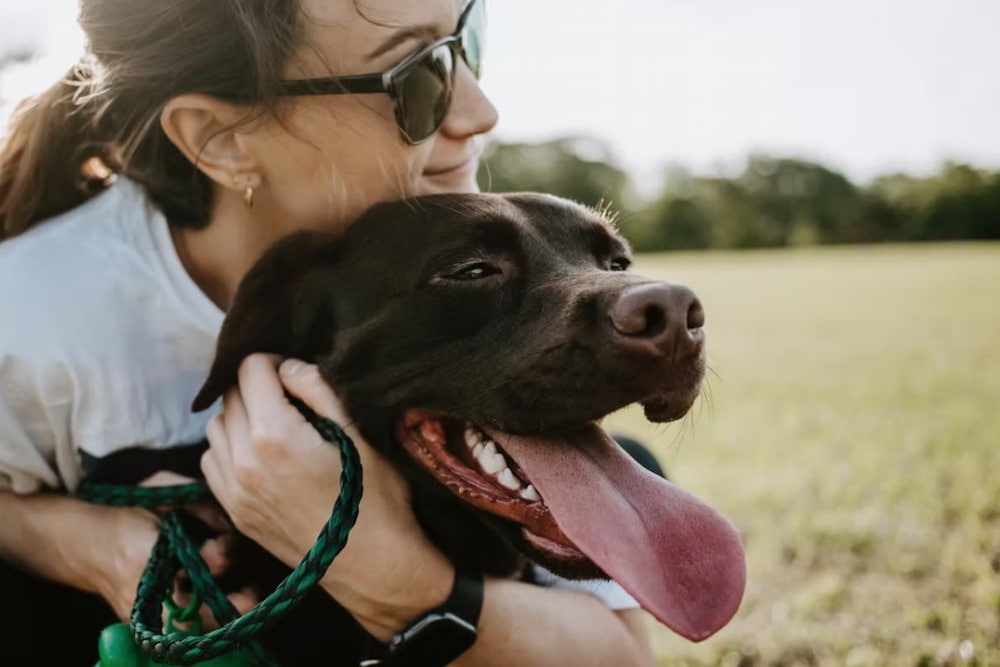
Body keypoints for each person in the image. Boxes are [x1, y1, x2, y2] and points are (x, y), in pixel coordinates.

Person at [0, 0, 661, 664]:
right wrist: (97, 546)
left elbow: (620, 656)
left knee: (624, 454)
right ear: (219, 138)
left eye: (468, 40)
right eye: (415, 75)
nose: (480, 110)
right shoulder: (32, 314)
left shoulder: (439, 219)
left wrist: (386, 571)